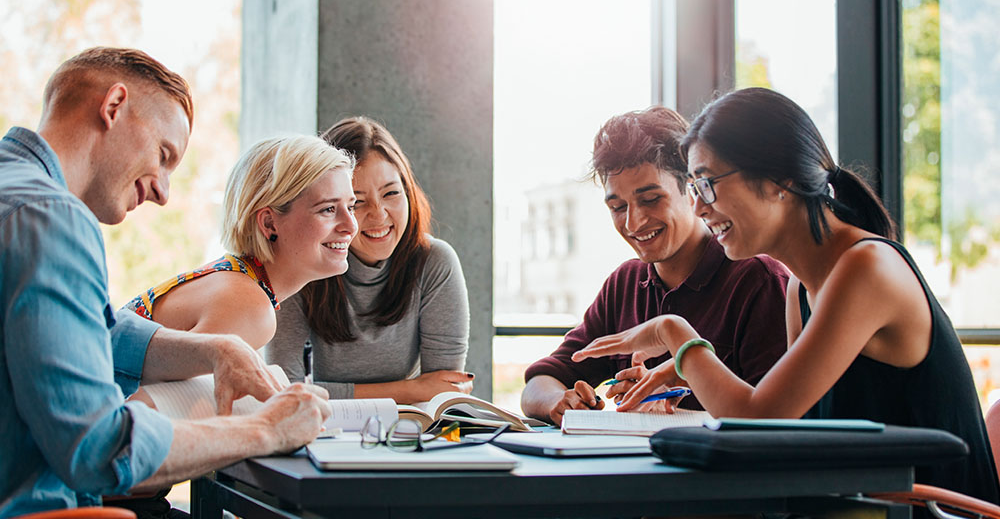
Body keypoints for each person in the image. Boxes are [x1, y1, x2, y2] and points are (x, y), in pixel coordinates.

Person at [573, 88, 1000, 503]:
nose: (700, 207)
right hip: (865, 505)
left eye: (707, 184)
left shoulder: (866, 268)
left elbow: (758, 418)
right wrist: (688, 374)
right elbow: (787, 429)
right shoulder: (801, 286)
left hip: (931, 509)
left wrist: (676, 335)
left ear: (780, 180)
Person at [0, 47, 332, 518]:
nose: (162, 191)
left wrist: (215, 350)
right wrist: (267, 429)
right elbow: (101, 451)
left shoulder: (14, 193)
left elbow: (94, 329)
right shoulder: (52, 217)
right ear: (113, 106)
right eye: (164, 155)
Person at [520, 105, 790, 425]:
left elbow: (775, 418)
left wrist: (687, 385)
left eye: (650, 200)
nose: (633, 222)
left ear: (692, 190)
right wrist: (558, 401)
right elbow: (541, 381)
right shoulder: (625, 284)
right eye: (618, 207)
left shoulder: (757, 280)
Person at [266, 116, 472, 404]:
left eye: (391, 193)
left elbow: (442, 391)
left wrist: (421, 392)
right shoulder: (300, 263)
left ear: (409, 192)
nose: (379, 215)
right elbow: (286, 391)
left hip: (406, 433)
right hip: (319, 433)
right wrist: (410, 389)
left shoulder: (434, 262)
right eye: (357, 202)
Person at [122, 135, 358, 350]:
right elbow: (150, 396)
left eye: (351, 207)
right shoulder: (249, 308)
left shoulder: (239, 280)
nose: (351, 226)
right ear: (269, 223)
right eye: (328, 209)